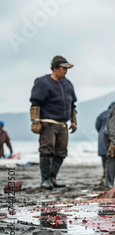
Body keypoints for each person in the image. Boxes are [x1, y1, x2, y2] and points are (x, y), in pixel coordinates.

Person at [29, 56, 77, 190]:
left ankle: (52, 178)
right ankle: (45, 180)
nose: (66, 71)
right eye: (63, 68)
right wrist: (35, 121)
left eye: (67, 69)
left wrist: (73, 121)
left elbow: (72, 104)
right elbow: (35, 102)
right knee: (46, 151)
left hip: (63, 124)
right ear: (55, 68)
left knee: (61, 153)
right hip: (48, 123)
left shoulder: (68, 84)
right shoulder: (43, 82)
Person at [95, 102, 115, 179]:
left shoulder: (102, 114)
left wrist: (100, 132)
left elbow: (97, 125)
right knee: (112, 156)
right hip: (113, 135)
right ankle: (111, 174)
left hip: (101, 134)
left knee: (104, 155)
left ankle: (105, 172)